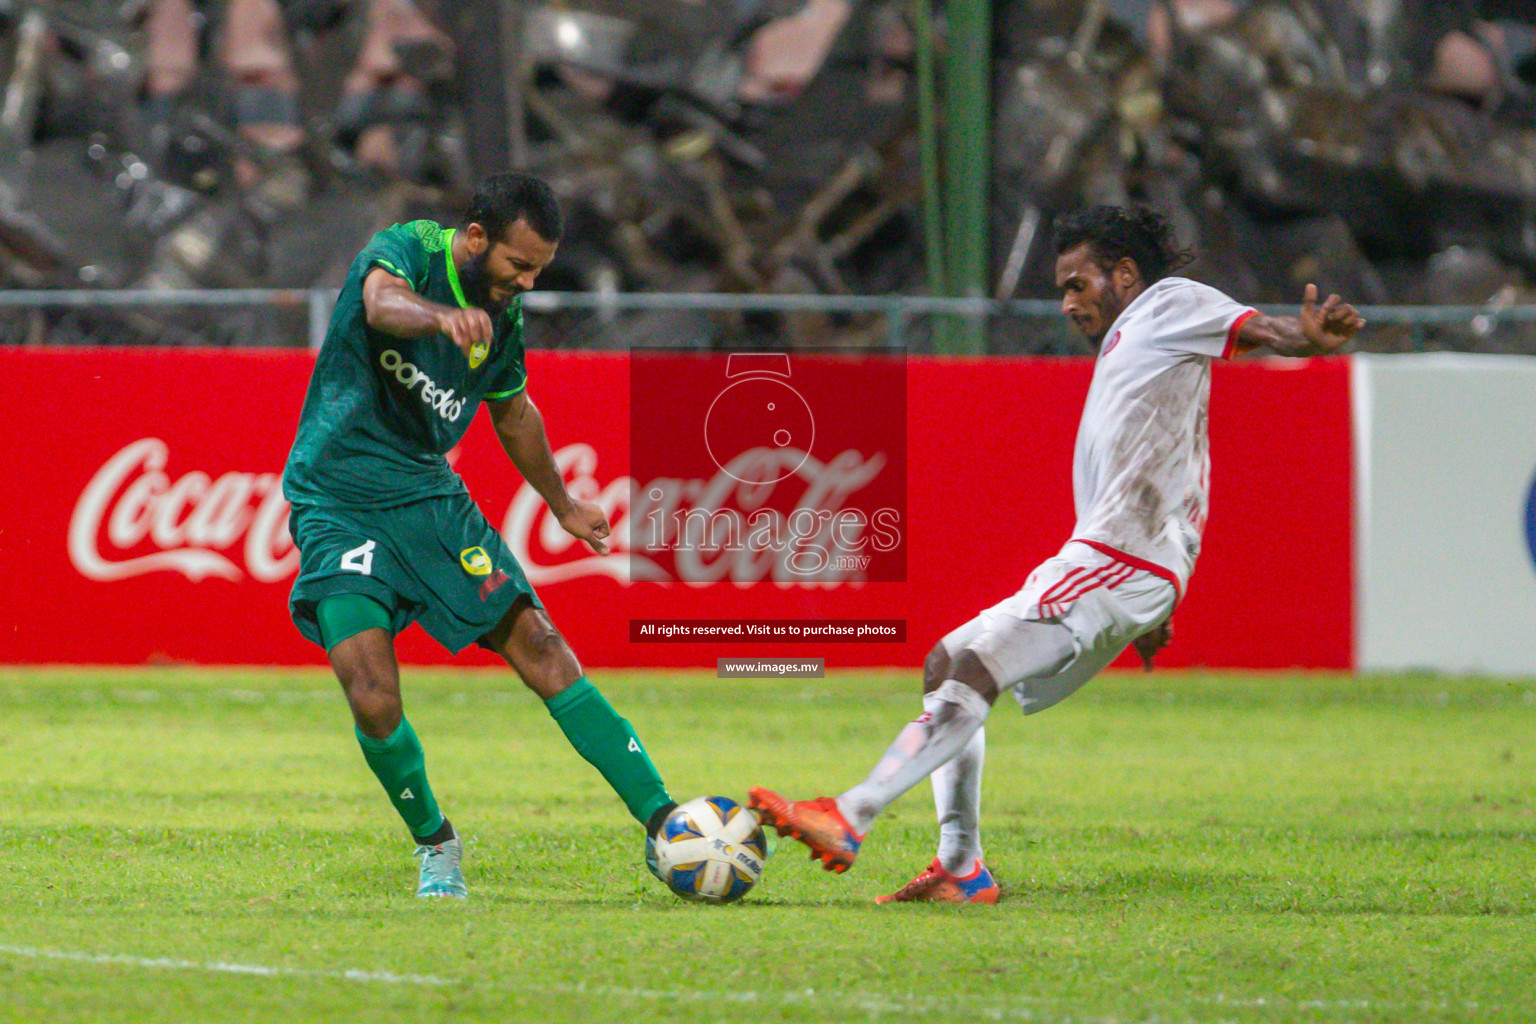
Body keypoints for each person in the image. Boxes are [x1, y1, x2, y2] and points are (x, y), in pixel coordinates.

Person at [749, 205, 1365, 903]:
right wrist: (1154, 607)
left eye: (1079, 284)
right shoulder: (1132, 348)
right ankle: (960, 865)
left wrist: (1304, 336)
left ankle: (851, 814)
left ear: (1125, 274)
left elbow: (1260, 330)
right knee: (948, 660)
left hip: (1122, 560)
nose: (1070, 304)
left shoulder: (1167, 302)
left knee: (977, 666)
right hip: (1121, 562)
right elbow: (1169, 469)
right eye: (1063, 290)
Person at [282, 173, 675, 898]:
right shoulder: (408, 252)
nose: (525, 282)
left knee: (544, 648)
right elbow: (379, 304)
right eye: (517, 264)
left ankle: (666, 826)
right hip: (336, 498)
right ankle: (436, 843)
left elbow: (513, 409)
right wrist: (439, 319)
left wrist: (561, 504)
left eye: (538, 270)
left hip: (430, 500)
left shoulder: (504, 314)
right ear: (475, 240)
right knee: (371, 693)